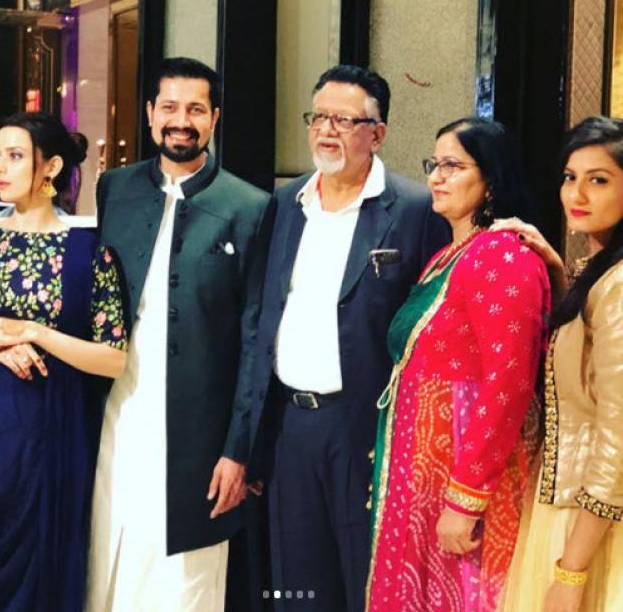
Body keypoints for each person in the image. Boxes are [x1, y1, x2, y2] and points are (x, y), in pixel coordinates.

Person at [246, 64, 449, 611]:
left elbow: (433, 325)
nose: (325, 131)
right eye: (318, 118)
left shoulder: (413, 208)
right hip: (291, 427)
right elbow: (261, 320)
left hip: (366, 427)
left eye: (343, 120)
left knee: (368, 579)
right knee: (298, 584)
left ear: (377, 134)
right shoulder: (287, 203)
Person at [86, 57, 272, 612]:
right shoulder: (114, 188)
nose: (181, 121)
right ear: (150, 114)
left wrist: (238, 451)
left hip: (200, 429)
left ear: (214, 119)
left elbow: (256, 338)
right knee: (108, 550)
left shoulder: (249, 206)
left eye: (195, 109)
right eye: (169, 107)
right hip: (117, 409)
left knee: (185, 575)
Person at [366, 117, 551, 611]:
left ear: (490, 178)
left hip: (464, 477)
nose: (436, 177)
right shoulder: (449, 255)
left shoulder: (500, 255)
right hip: (426, 470)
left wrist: (465, 499)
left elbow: (508, 384)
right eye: (434, 164)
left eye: (453, 165)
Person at [0, 112, 127, 611]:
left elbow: (113, 358)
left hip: (52, 434)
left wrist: (34, 332)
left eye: (15, 156)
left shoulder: (89, 253)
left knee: (43, 568)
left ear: (50, 167)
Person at [495, 116, 623, 612]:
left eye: (599, 180)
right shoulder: (601, 275)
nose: (577, 194)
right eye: (571, 177)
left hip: (593, 521)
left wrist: (572, 571)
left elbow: (617, 439)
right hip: (573, 505)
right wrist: (557, 270)